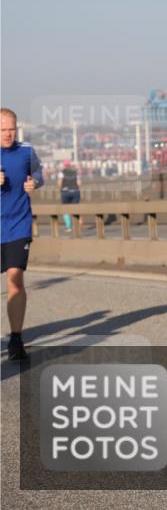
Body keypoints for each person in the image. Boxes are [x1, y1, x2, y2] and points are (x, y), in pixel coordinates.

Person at [1, 108, 44, 362]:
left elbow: (38, 174)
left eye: (12, 129)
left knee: (15, 277)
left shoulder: (26, 151)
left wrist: (34, 182)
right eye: (3, 130)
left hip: (18, 225)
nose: (8, 134)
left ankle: (16, 339)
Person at [58, 159, 82, 231]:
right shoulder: (75, 172)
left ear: (64, 165)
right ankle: (79, 223)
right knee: (75, 208)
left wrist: (60, 190)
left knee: (65, 209)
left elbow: (59, 183)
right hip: (75, 191)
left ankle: (69, 227)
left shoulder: (61, 173)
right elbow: (79, 183)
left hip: (65, 192)